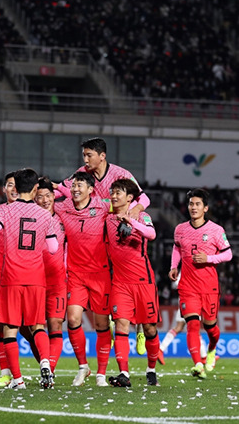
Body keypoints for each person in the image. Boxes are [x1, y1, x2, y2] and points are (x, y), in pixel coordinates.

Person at [60, 137, 151, 354]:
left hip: (124, 226)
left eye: (89, 155)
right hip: (100, 227)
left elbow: (144, 197)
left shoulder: (121, 174)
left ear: (102, 156)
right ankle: (111, 321)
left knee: (130, 274)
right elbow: (66, 189)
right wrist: (46, 192)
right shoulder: (82, 172)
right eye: (84, 155)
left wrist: (134, 213)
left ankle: (139, 328)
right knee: (113, 281)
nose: (85, 159)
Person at [0, 168, 58, 390]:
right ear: (34, 189)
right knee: (38, 325)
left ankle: (18, 380)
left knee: (10, 329)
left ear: (16, 187)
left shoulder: (4, 212)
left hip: (11, 277)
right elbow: (53, 248)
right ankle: (45, 364)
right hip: (36, 277)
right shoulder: (44, 214)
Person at [54, 171, 113, 387]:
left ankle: (101, 374)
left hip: (101, 273)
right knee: (72, 319)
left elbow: (130, 203)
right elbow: (44, 202)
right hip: (76, 274)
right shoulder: (63, 207)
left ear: (91, 189)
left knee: (101, 323)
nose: (76, 189)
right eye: (73, 186)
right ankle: (83, 367)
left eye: (80, 185)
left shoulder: (103, 205)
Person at [169, 188, 232, 379]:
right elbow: (177, 247)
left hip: (209, 286)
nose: (193, 207)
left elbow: (228, 254)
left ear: (205, 208)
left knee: (210, 327)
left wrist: (209, 258)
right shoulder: (180, 229)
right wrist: (174, 266)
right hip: (188, 285)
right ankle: (198, 364)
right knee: (192, 324)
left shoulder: (216, 230)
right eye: (191, 204)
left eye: (197, 204)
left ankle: (212, 349)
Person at [105, 179, 160, 387]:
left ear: (130, 198)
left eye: (118, 192)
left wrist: (132, 223)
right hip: (119, 282)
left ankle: (151, 369)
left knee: (150, 329)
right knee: (121, 325)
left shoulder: (142, 216)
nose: (114, 196)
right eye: (113, 192)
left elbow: (152, 234)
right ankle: (124, 374)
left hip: (143, 281)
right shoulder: (108, 219)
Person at [0, 172, 19, 386]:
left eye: (17, 185)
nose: (13, 188)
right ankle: (6, 373)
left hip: (27, 274)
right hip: (0, 274)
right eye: (9, 185)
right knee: (2, 324)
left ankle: (47, 366)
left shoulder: (33, 211)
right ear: (3, 189)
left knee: (36, 325)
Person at [35, 177, 67, 376]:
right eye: (40, 196)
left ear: (54, 197)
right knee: (32, 327)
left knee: (55, 325)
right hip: (34, 279)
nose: (45, 200)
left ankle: (49, 370)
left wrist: (60, 186)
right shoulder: (31, 217)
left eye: (48, 195)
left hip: (57, 280)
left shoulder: (64, 216)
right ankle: (45, 362)